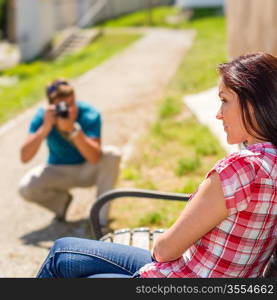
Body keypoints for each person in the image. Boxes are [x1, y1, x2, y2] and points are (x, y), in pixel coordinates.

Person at [36, 52, 277, 278]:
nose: (218, 114)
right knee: (65, 252)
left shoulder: (242, 167)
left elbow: (164, 251)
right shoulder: (270, 161)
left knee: (61, 256)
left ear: (252, 103)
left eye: (224, 100)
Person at [18, 79, 121, 226]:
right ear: (50, 106)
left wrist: (73, 131)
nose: (68, 110)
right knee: (25, 187)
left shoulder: (89, 114)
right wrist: (45, 128)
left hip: (88, 169)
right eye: (62, 106)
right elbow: (24, 157)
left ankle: (100, 221)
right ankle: (61, 204)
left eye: (71, 104)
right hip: (59, 170)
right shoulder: (43, 116)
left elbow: (94, 157)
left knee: (112, 154)